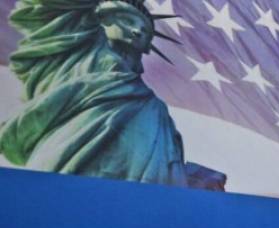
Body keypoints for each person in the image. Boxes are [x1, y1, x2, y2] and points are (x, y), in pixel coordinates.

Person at [0, 0, 224, 189]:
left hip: (129, 211)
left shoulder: (152, 106)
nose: (137, 31)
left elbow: (157, 170)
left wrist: (193, 179)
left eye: (144, 31)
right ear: (102, 19)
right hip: (66, 173)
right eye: (127, 21)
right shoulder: (78, 54)